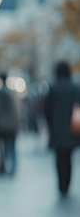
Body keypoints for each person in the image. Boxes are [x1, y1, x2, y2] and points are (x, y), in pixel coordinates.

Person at [44, 61, 80, 197]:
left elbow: (46, 109)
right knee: (69, 158)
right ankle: (67, 184)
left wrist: (51, 124)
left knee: (60, 159)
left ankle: (61, 185)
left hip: (57, 129)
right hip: (72, 129)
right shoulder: (74, 87)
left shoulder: (53, 88)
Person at [0, 72, 19, 175]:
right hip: (13, 124)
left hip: (3, 125)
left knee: (5, 147)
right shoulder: (13, 92)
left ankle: (6, 167)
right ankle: (13, 166)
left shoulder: (1, 93)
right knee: (12, 147)